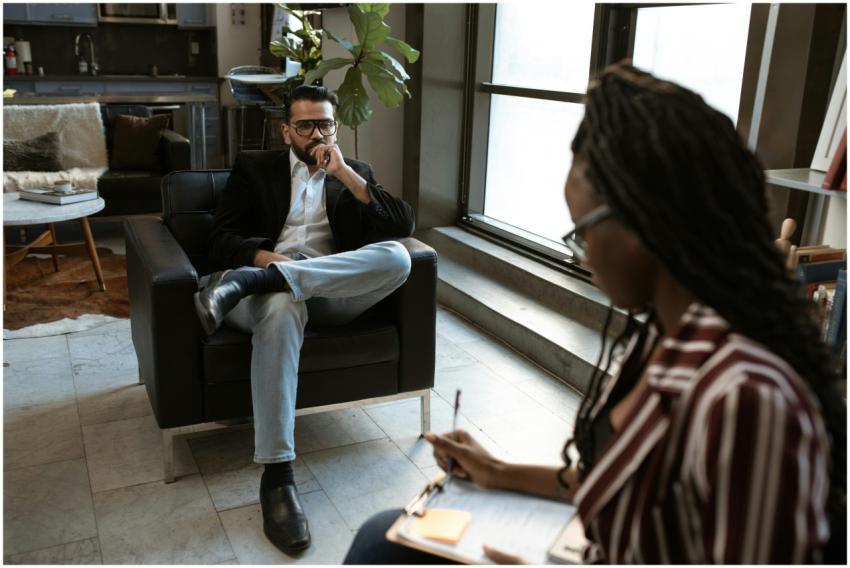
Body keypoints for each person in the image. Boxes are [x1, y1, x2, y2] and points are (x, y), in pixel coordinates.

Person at [344, 63, 845, 564]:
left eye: (581, 231)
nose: (579, 254)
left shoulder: (744, 401)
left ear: (643, 222)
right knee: (383, 537)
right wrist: (499, 471)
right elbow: (626, 485)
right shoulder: (660, 336)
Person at [196, 85, 415, 553]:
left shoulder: (355, 174)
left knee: (398, 258)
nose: (317, 133)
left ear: (337, 127)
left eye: (326, 124)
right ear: (286, 131)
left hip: (328, 296)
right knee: (280, 303)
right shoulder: (255, 168)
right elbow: (219, 239)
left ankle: (273, 279)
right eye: (306, 125)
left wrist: (349, 176)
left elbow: (402, 225)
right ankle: (277, 478)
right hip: (262, 297)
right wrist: (267, 262)